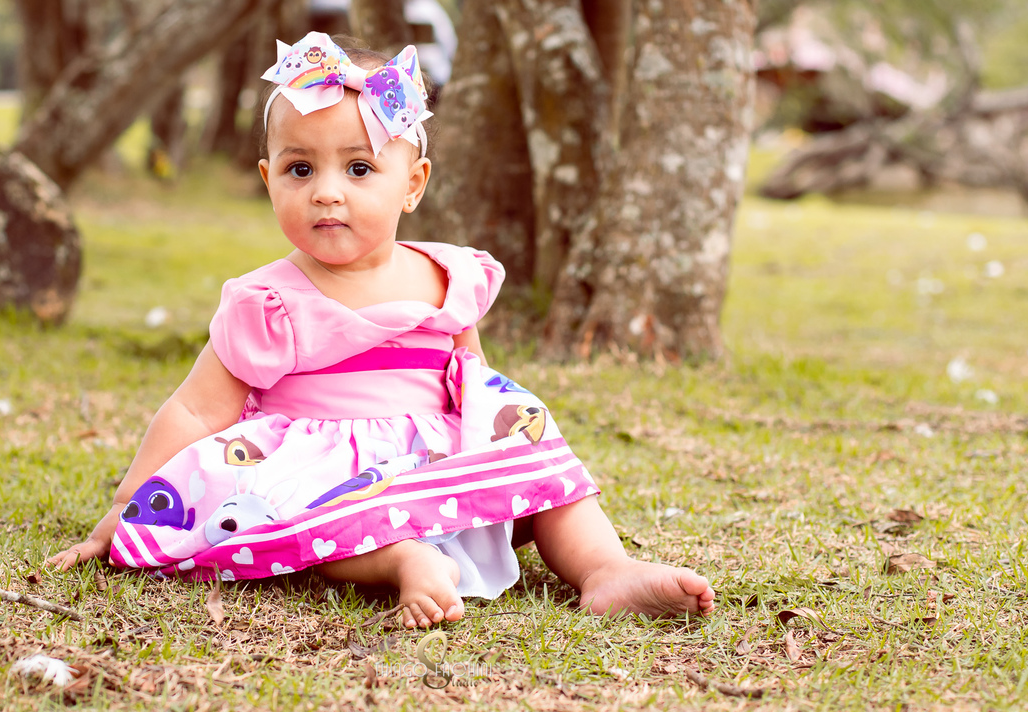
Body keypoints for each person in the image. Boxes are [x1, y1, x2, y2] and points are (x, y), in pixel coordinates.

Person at [49, 32, 715, 629]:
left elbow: (475, 383)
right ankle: (404, 560)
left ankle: (604, 568)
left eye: (360, 168)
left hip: (434, 464)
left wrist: (506, 457)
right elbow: (197, 410)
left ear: (413, 184)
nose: (327, 192)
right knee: (291, 517)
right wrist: (127, 507)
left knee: (539, 468)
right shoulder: (268, 300)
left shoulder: (448, 276)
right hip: (322, 473)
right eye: (300, 169)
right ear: (269, 180)